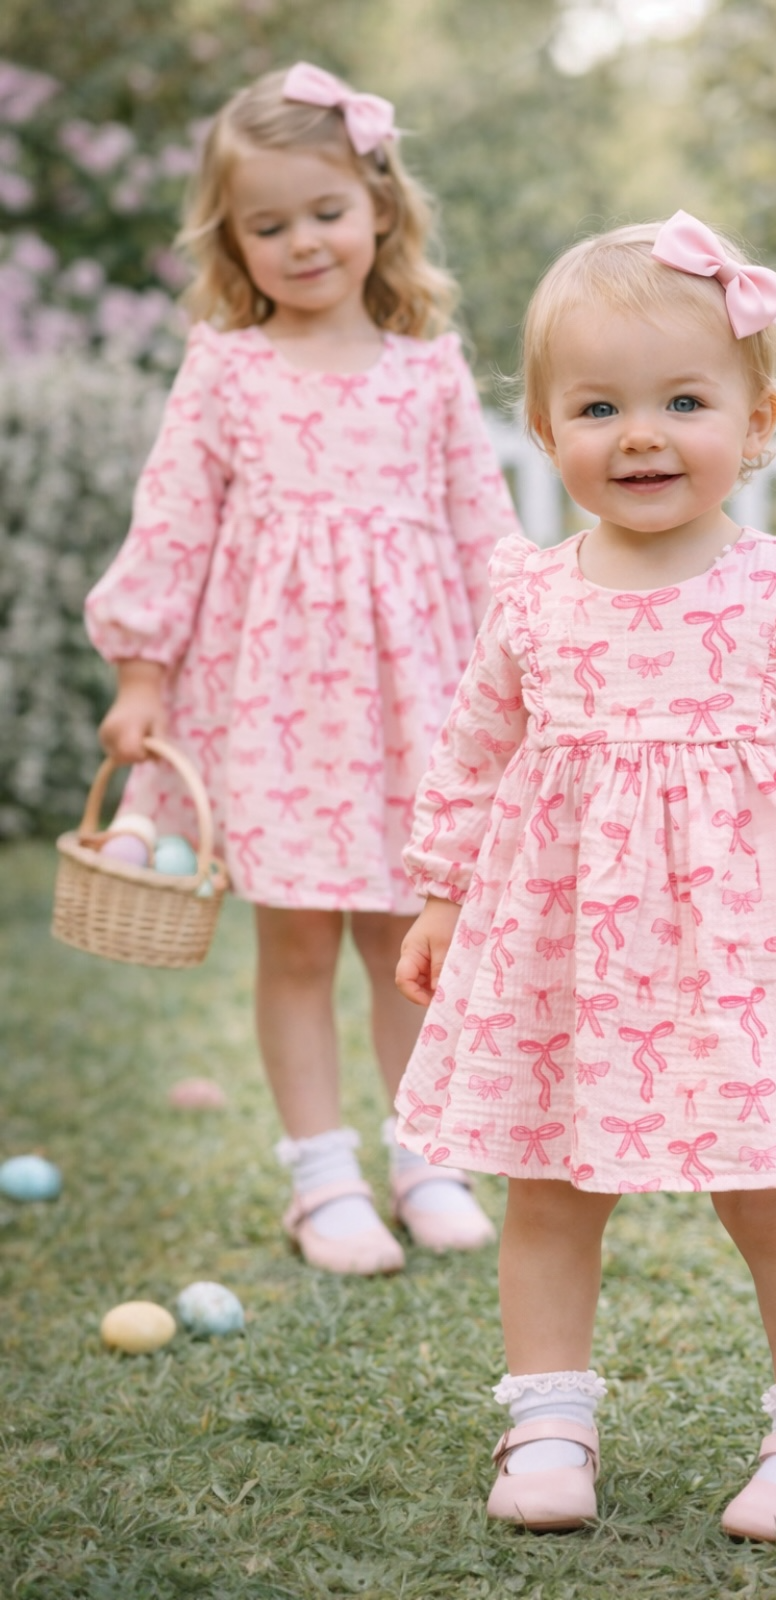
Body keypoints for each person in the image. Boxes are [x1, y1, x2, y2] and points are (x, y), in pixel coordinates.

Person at [393, 212, 776, 1539]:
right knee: (548, 1187)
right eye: (599, 405)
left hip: (755, 946)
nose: (642, 434)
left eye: (684, 399)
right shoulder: (533, 595)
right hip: (566, 949)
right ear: (548, 431)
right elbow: (475, 749)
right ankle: (548, 1421)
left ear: (759, 415)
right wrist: (443, 887)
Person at [85, 63, 521, 1275]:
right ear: (232, 239)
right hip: (271, 703)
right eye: (266, 225)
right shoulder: (225, 368)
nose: (302, 241)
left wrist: (527, 659)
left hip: (409, 699)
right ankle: (319, 1175)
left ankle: (425, 1154)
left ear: (379, 204)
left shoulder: (427, 365)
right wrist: (140, 674)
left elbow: (483, 527)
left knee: (405, 940)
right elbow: (172, 523)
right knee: (296, 945)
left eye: (324, 211)